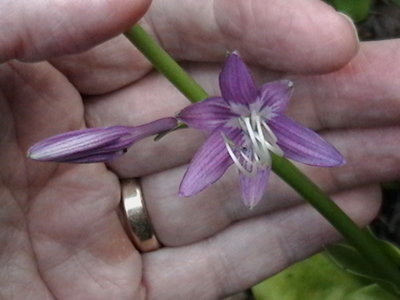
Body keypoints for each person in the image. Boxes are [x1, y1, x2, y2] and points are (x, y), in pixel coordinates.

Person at [0, 0, 396, 299]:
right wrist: (170, 125)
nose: (256, 149)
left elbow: (307, 136)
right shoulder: (217, 119)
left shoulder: (261, 113)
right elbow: (197, 134)